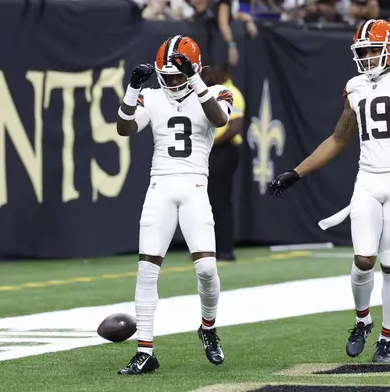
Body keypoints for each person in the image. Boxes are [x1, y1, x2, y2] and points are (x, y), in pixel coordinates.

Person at [269, 19, 390, 363]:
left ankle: (387, 340)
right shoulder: (356, 86)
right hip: (368, 178)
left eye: (372, 50)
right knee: (363, 259)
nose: (367, 57)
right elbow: (338, 138)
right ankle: (363, 320)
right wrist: (297, 172)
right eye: (362, 52)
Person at [116, 35, 234, 375]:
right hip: (160, 185)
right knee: (147, 269)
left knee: (207, 269)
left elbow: (219, 120)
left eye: (177, 74)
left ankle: (208, 327)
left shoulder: (214, 93)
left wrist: (194, 80)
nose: (170, 81)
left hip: (195, 186)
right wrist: (131, 90)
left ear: (193, 69)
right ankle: (145, 350)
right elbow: (125, 128)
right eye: (164, 75)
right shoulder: (152, 97)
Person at [204, 66, 245, 261]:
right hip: (214, 151)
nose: (207, 76)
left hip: (225, 151)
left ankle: (226, 249)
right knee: (209, 201)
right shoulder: (211, 92)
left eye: (211, 72)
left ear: (223, 73)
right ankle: (210, 248)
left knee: (220, 200)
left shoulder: (231, 93)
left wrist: (210, 143)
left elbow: (235, 128)